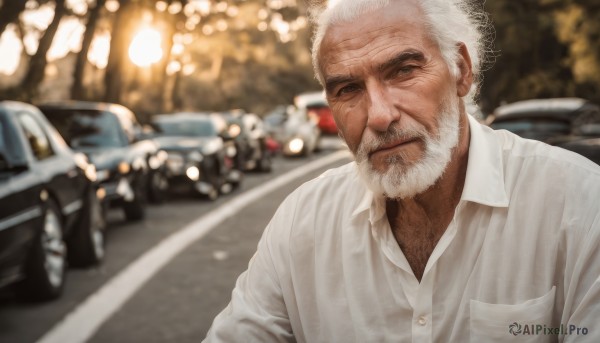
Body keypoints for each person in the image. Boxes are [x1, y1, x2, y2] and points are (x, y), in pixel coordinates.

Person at [204, 0, 600, 341]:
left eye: (403, 71)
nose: (379, 115)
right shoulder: (301, 224)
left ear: (461, 70)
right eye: (348, 90)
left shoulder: (579, 205)